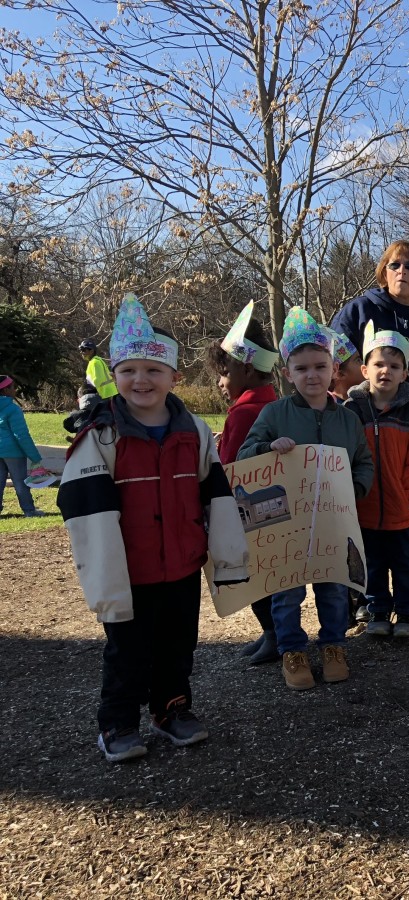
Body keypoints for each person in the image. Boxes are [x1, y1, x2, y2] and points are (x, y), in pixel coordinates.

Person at [56, 295, 248, 763]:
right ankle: (117, 723)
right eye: (129, 370)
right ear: (113, 375)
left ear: (174, 377)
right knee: (128, 652)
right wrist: (104, 581)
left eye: (153, 370)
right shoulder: (101, 436)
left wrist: (228, 558)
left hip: (181, 565)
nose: (140, 379)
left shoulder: (196, 432)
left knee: (177, 645)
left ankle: (171, 710)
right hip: (130, 569)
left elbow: (218, 498)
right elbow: (87, 514)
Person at [237, 307, 374, 691]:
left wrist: (356, 488)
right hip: (286, 526)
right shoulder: (274, 413)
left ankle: (333, 645)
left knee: (333, 587)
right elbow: (245, 456)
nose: (311, 375)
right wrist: (268, 446)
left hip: (333, 521)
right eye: (301, 368)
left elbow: (363, 462)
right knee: (287, 591)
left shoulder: (347, 420)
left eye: (320, 366)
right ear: (287, 373)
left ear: (334, 368)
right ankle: (292, 650)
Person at [345, 322, 409, 639]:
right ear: (364, 369)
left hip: (403, 510)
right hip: (365, 508)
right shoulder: (352, 410)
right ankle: (378, 611)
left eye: (394, 366)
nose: (386, 371)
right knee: (372, 564)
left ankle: (408, 613)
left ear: (404, 373)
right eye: (379, 364)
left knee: (405, 564)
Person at [204, 302, 281, 665]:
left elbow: (232, 466)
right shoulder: (271, 404)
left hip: (245, 511)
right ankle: (272, 633)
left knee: (255, 578)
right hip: (268, 507)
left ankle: (273, 634)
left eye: (226, 371)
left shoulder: (246, 411)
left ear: (247, 369)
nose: (221, 381)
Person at [330, 240, 409, 375]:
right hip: (367, 393)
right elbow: (336, 362)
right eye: (394, 265)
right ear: (384, 273)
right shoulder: (359, 310)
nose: (402, 271)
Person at [0, 374, 47, 517]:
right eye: (12, 387)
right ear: (6, 390)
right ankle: (29, 510)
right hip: (14, 452)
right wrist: (34, 456)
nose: (15, 390)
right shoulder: (13, 409)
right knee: (20, 482)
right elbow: (21, 435)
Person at [78, 338, 118, 409]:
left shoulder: (94, 362)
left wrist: (89, 392)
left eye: (84, 350)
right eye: (81, 350)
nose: (81, 352)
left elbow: (97, 380)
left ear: (91, 351)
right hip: (109, 393)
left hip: (105, 394)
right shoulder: (96, 361)